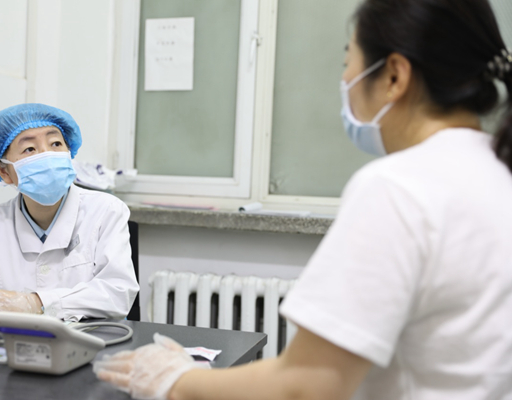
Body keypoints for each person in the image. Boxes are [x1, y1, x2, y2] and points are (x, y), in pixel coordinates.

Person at [93, 0, 512, 398]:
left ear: (394, 76)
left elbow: (306, 386)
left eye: (348, 62)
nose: (345, 81)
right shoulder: (496, 173)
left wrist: (175, 380)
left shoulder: (400, 188)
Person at [0, 103, 139, 321]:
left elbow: (118, 293)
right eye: (29, 149)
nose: (47, 155)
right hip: (10, 339)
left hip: (92, 339)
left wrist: (36, 303)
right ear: (3, 171)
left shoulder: (106, 210)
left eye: (56, 143)